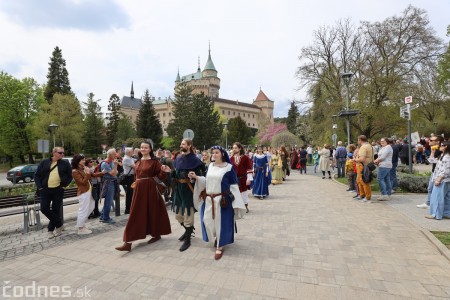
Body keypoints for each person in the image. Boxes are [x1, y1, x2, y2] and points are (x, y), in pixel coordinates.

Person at [189, 146, 246, 260]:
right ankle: (217, 238)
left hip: (222, 201)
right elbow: (207, 181)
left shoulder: (229, 168)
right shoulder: (210, 166)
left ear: (222, 154)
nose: (214, 155)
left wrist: (237, 203)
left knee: (222, 223)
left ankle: (220, 245)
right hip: (209, 199)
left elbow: (234, 185)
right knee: (207, 220)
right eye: (213, 153)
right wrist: (196, 177)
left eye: (216, 153)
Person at [115, 140, 172, 251]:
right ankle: (128, 242)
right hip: (139, 190)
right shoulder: (137, 161)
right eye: (142, 147)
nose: (143, 149)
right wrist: (136, 183)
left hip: (151, 190)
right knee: (135, 214)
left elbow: (160, 176)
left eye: (146, 147)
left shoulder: (155, 162)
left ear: (150, 149)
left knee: (153, 212)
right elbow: (137, 176)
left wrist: (164, 171)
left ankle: (156, 234)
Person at [171, 138, 206, 252]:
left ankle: (188, 239)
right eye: (181, 143)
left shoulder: (195, 160)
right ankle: (188, 231)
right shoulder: (178, 158)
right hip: (178, 190)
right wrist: (169, 171)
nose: (181, 145)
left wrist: (193, 177)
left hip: (188, 190)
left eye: (183, 144)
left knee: (188, 215)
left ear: (189, 146)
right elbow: (176, 173)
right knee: (178, 216)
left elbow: (200, 176)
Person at [34, 147, 73, 239]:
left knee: (55, 209)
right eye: (60, 153)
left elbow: (70, 176)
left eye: (63, 153)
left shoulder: (65, 163)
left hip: (58, 190)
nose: (62, 154)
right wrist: (40, 187)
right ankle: (59, 224)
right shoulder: (44, 162)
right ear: (54, 153)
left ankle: (51, 230)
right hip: (45, 190)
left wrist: (64, 185)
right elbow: (36, 175)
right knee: (44, 208)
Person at [72, 154, 105, 235]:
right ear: (77, 161)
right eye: (82, 160)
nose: (84, 161)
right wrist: (87, 173)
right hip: (83, 192)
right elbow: (82, 182)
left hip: (89, 191)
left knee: (91, 207)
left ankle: (82, 224)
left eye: (84, 159)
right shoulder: (75, 171)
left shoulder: (84, 168)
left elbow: (92, 175)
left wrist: (102, 173)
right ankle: (80, 228)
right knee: (83, 209)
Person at [417, 136, 444, 209]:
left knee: (434, 189)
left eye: (431, 140)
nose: (429, 141)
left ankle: (431, 204)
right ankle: (429, 203)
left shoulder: (441, 150)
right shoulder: (434, 149)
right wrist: (432, 152)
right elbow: (430, 161)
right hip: (435, 172)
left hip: (439, 173)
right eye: (429, 140)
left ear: (438, 142)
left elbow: (434, 161)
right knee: (430, 188)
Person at [425, 141, 450, 220]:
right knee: (446, 197)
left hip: (442, 179)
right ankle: (446, 213)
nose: (439, 146)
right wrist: (432, 152)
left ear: (445, 147)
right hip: (444, 179)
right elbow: (432, 161)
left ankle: (435, 214)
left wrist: (438, 179)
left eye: (441, 145)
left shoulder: (447, 157)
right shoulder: (443, 155)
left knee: (437, 197)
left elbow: (446, 170)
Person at [231, 142, 253, 213]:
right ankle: (236, 207)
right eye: (233, 148)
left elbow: (249, 168)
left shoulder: (245, 158)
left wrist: (249, 179)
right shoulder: (231, 158)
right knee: (235, 193)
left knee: (244, 193)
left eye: (235, 148)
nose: (234, 149)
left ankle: (245, 206)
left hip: (243, 178)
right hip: (234, 179)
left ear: (240, 148)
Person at [99, 149, 119, 224]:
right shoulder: (105, 163)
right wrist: (116, 165)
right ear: (110, 155)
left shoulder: (111, 162)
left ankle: (102, 216)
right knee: (109, 201)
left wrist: (115, 168)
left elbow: (116, 172)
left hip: (112, 182)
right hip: (108, 183)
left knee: (109, 201)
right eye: (114, 154)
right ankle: (106, 218)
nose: (115, 155)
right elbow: (113, 173)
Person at [354, 135, 374, 203]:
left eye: (358, 140)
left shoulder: (363, 147)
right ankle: (362, 194)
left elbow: (362, 158)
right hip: (366, 165)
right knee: (359, 181)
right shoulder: (369, 146)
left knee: (364, 181)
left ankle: (367, 197)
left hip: (362, 166)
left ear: (360, 140)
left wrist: (356, 159)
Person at [122, 147, 136, 214]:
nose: (133, 152)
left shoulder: (129, 158)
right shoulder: (127, 159)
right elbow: (135, 166)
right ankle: (127, 209)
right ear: (129, 152)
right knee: (129, 193)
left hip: (131, 176)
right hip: (129, 177)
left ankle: (130, 207)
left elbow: (135, 160)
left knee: (131, 193)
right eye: (132, 151)